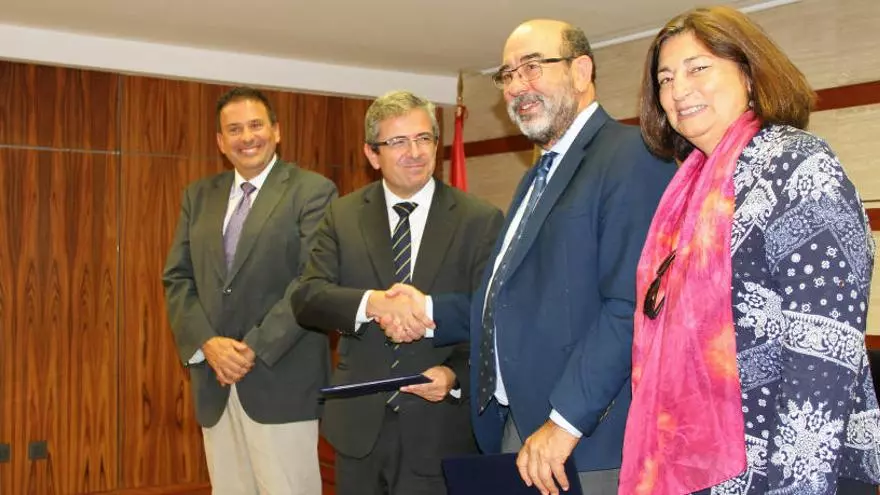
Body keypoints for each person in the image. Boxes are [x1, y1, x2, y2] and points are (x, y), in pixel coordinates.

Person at [382, 20, 675, 495]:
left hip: (583, 443)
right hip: (520, 428)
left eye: (533, 67)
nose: (517, 86)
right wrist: (427, 309)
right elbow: (513, 298)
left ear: (581, 71)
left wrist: (565, 421)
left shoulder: (631, 156)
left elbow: (630, 307)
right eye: (508, 75)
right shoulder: (538, 174)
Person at [620, 6, 880, 494]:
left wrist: (795, 485)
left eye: (698, 68)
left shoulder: (797, 164)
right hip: (706, 468)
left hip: (793, 470)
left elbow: (824, 345)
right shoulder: (689, 189)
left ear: (749, 73)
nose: (678, 90)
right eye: (665, 78)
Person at [290, 90, 504, 495]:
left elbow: (492, 315)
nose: (415, 152)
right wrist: (372, 303)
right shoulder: (342, 215)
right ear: (372, 154)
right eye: (398, 141)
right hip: (358, 431)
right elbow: (308, 298)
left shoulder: (480, 220)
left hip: (439, 429)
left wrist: (453, 375)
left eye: (424, 138)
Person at [162, 86, 337, 495]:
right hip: (215, 381)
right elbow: (178, 277)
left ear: (277, 131)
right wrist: (208, 344)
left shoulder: (312, 191)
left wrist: (250, 349)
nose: (247, 137)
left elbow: (312, 280)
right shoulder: (198, 196)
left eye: (256, 125)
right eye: (234, 129)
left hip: (282, 381)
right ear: (220, 142)